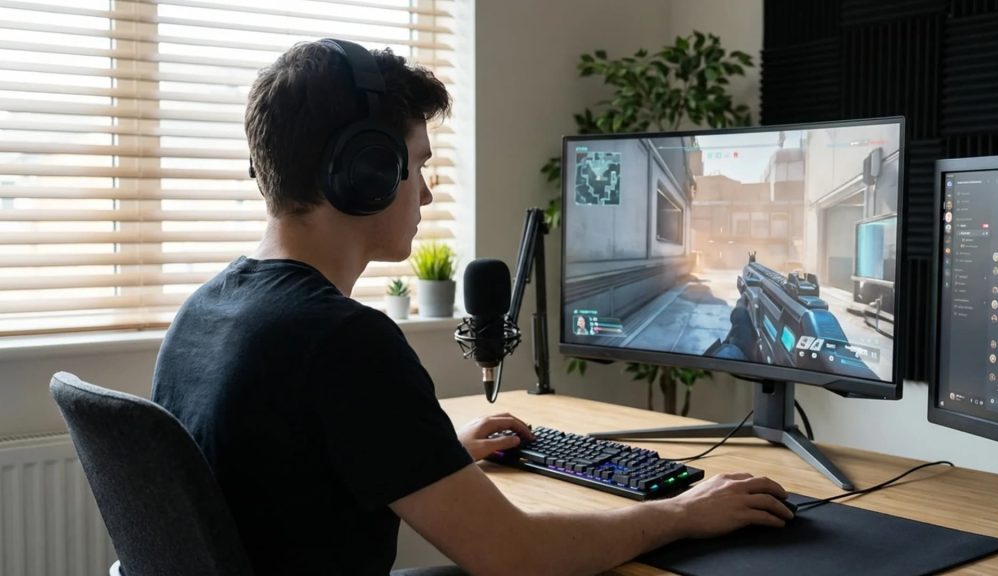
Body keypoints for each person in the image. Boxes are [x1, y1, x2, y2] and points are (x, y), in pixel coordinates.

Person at [151, 39, 793, 576]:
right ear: (368, 171)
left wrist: (430, 451)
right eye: (418, 164)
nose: (426, 193)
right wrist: (681, 512)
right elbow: (515, 557)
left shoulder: (204, 313)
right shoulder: (341, 340)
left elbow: (282, 474)